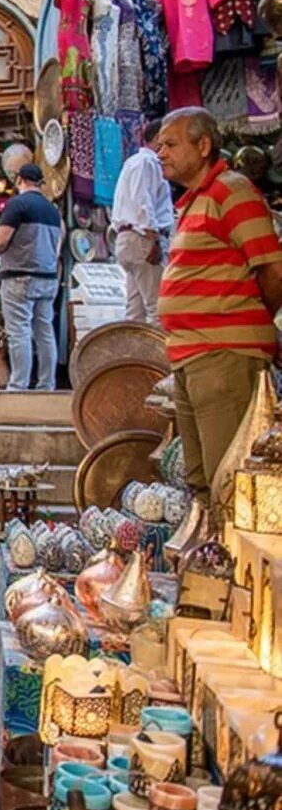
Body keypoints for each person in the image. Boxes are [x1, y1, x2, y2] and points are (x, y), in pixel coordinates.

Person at [156, 106, 282, 508]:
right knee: (202, 482)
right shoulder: (194, 202)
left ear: (204, 145)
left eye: (171, 144)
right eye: (160, 145)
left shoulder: (232, 189)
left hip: (222, 354)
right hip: (193, 354)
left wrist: (246, 320)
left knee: (228, 478)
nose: (161, 153)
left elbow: (273, 270)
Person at [0, 164, 63, 391]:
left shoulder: (17, 205)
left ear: (20, 180)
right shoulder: (53, 210)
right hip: (47, 277)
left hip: (19, 276)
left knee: (19, 331)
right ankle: (46, 383)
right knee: (44, 331)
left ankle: (19, 384)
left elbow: (1, 241)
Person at [112, 119, 175, 325]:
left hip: (131, 238)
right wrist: (153, 238)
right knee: (157, 309)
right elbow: (143, 200)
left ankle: (135, 356)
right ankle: (158, 357)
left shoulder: (137, 163)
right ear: (158, 139)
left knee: (135, 311)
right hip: (142, 238)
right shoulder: (146, 163)